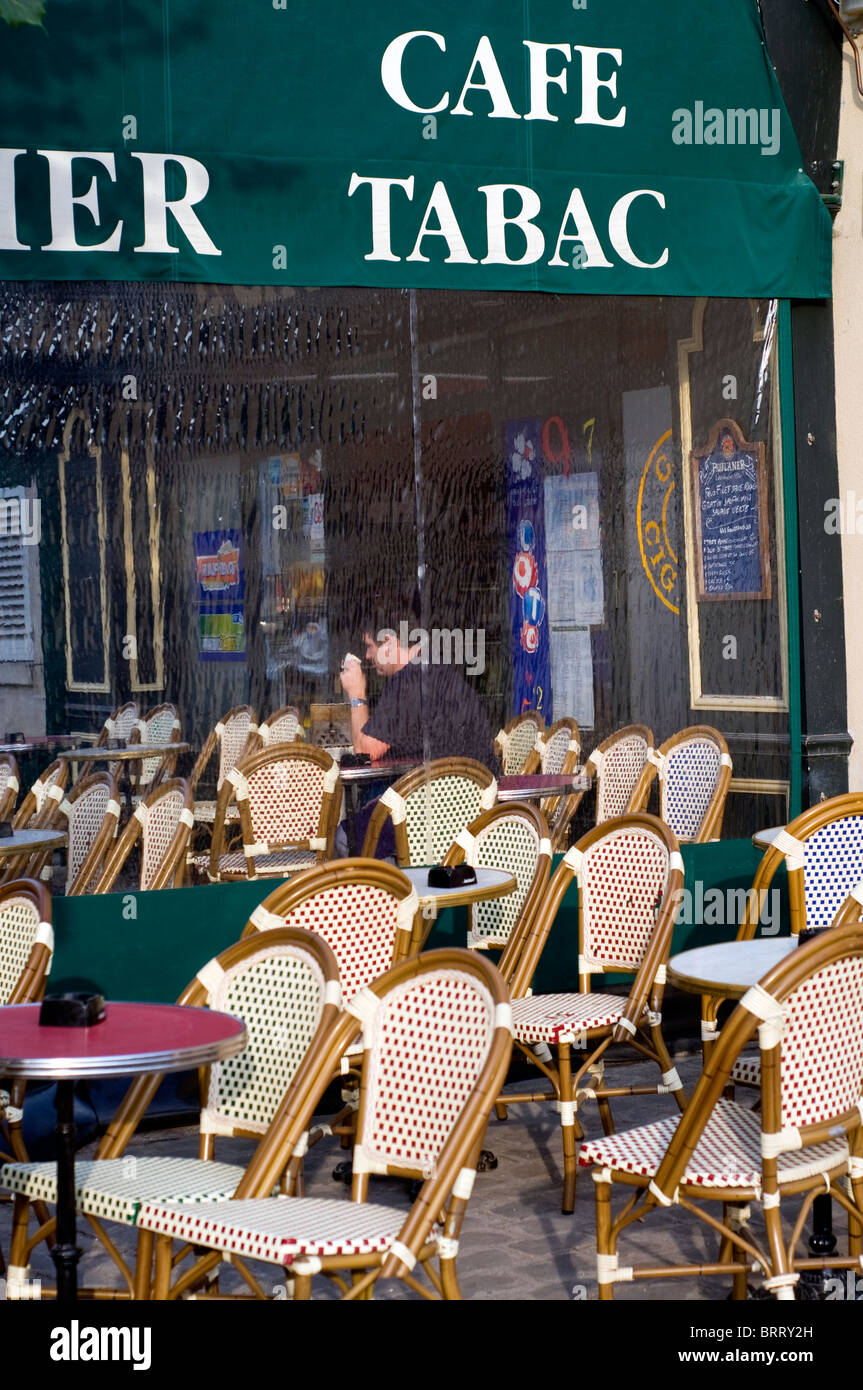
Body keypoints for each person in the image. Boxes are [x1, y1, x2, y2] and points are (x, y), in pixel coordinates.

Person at [335, 614, 498, 857]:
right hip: (478, 809)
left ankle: (399, 889)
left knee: (345, 837)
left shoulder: (408, 680)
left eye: (370, 646)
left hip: (439, 815)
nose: (368, 656)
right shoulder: (435, 667)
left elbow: (365, 751)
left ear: (388, 641)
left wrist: (357, 693)